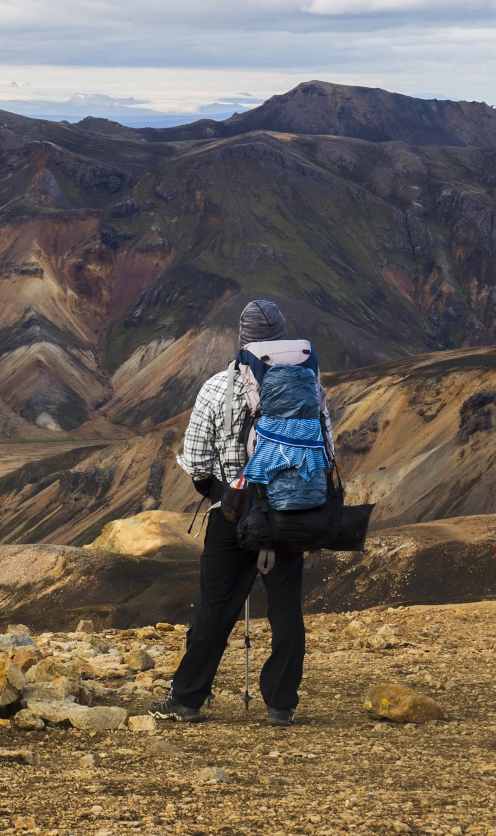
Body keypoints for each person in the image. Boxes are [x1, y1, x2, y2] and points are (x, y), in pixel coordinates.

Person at [148, 300, 316, 727]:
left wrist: (222, 492)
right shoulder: (308, 386)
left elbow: (198, 461)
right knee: (285, 609)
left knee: (214, 610)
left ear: (241, 338)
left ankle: (187, 700)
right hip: (288, 515)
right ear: (284, 337)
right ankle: (281, 704)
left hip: (232, 514)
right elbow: (325, 447)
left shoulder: (214, 389)